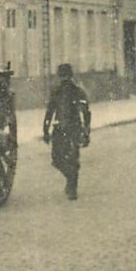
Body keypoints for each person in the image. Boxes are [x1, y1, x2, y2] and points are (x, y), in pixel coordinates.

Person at [43, 64, 91, 200]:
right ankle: (71, 179)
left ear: (71, 77)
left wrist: (86, 132)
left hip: (74, 128)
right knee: (56, 159)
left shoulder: (78, 91)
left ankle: (72, 188)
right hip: (59, 129)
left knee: (73, 158)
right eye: (62, 77)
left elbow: (86, 112)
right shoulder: (56, 92)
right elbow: (49, 111)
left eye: (66, 77)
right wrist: (45, 130)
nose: (64, 80)